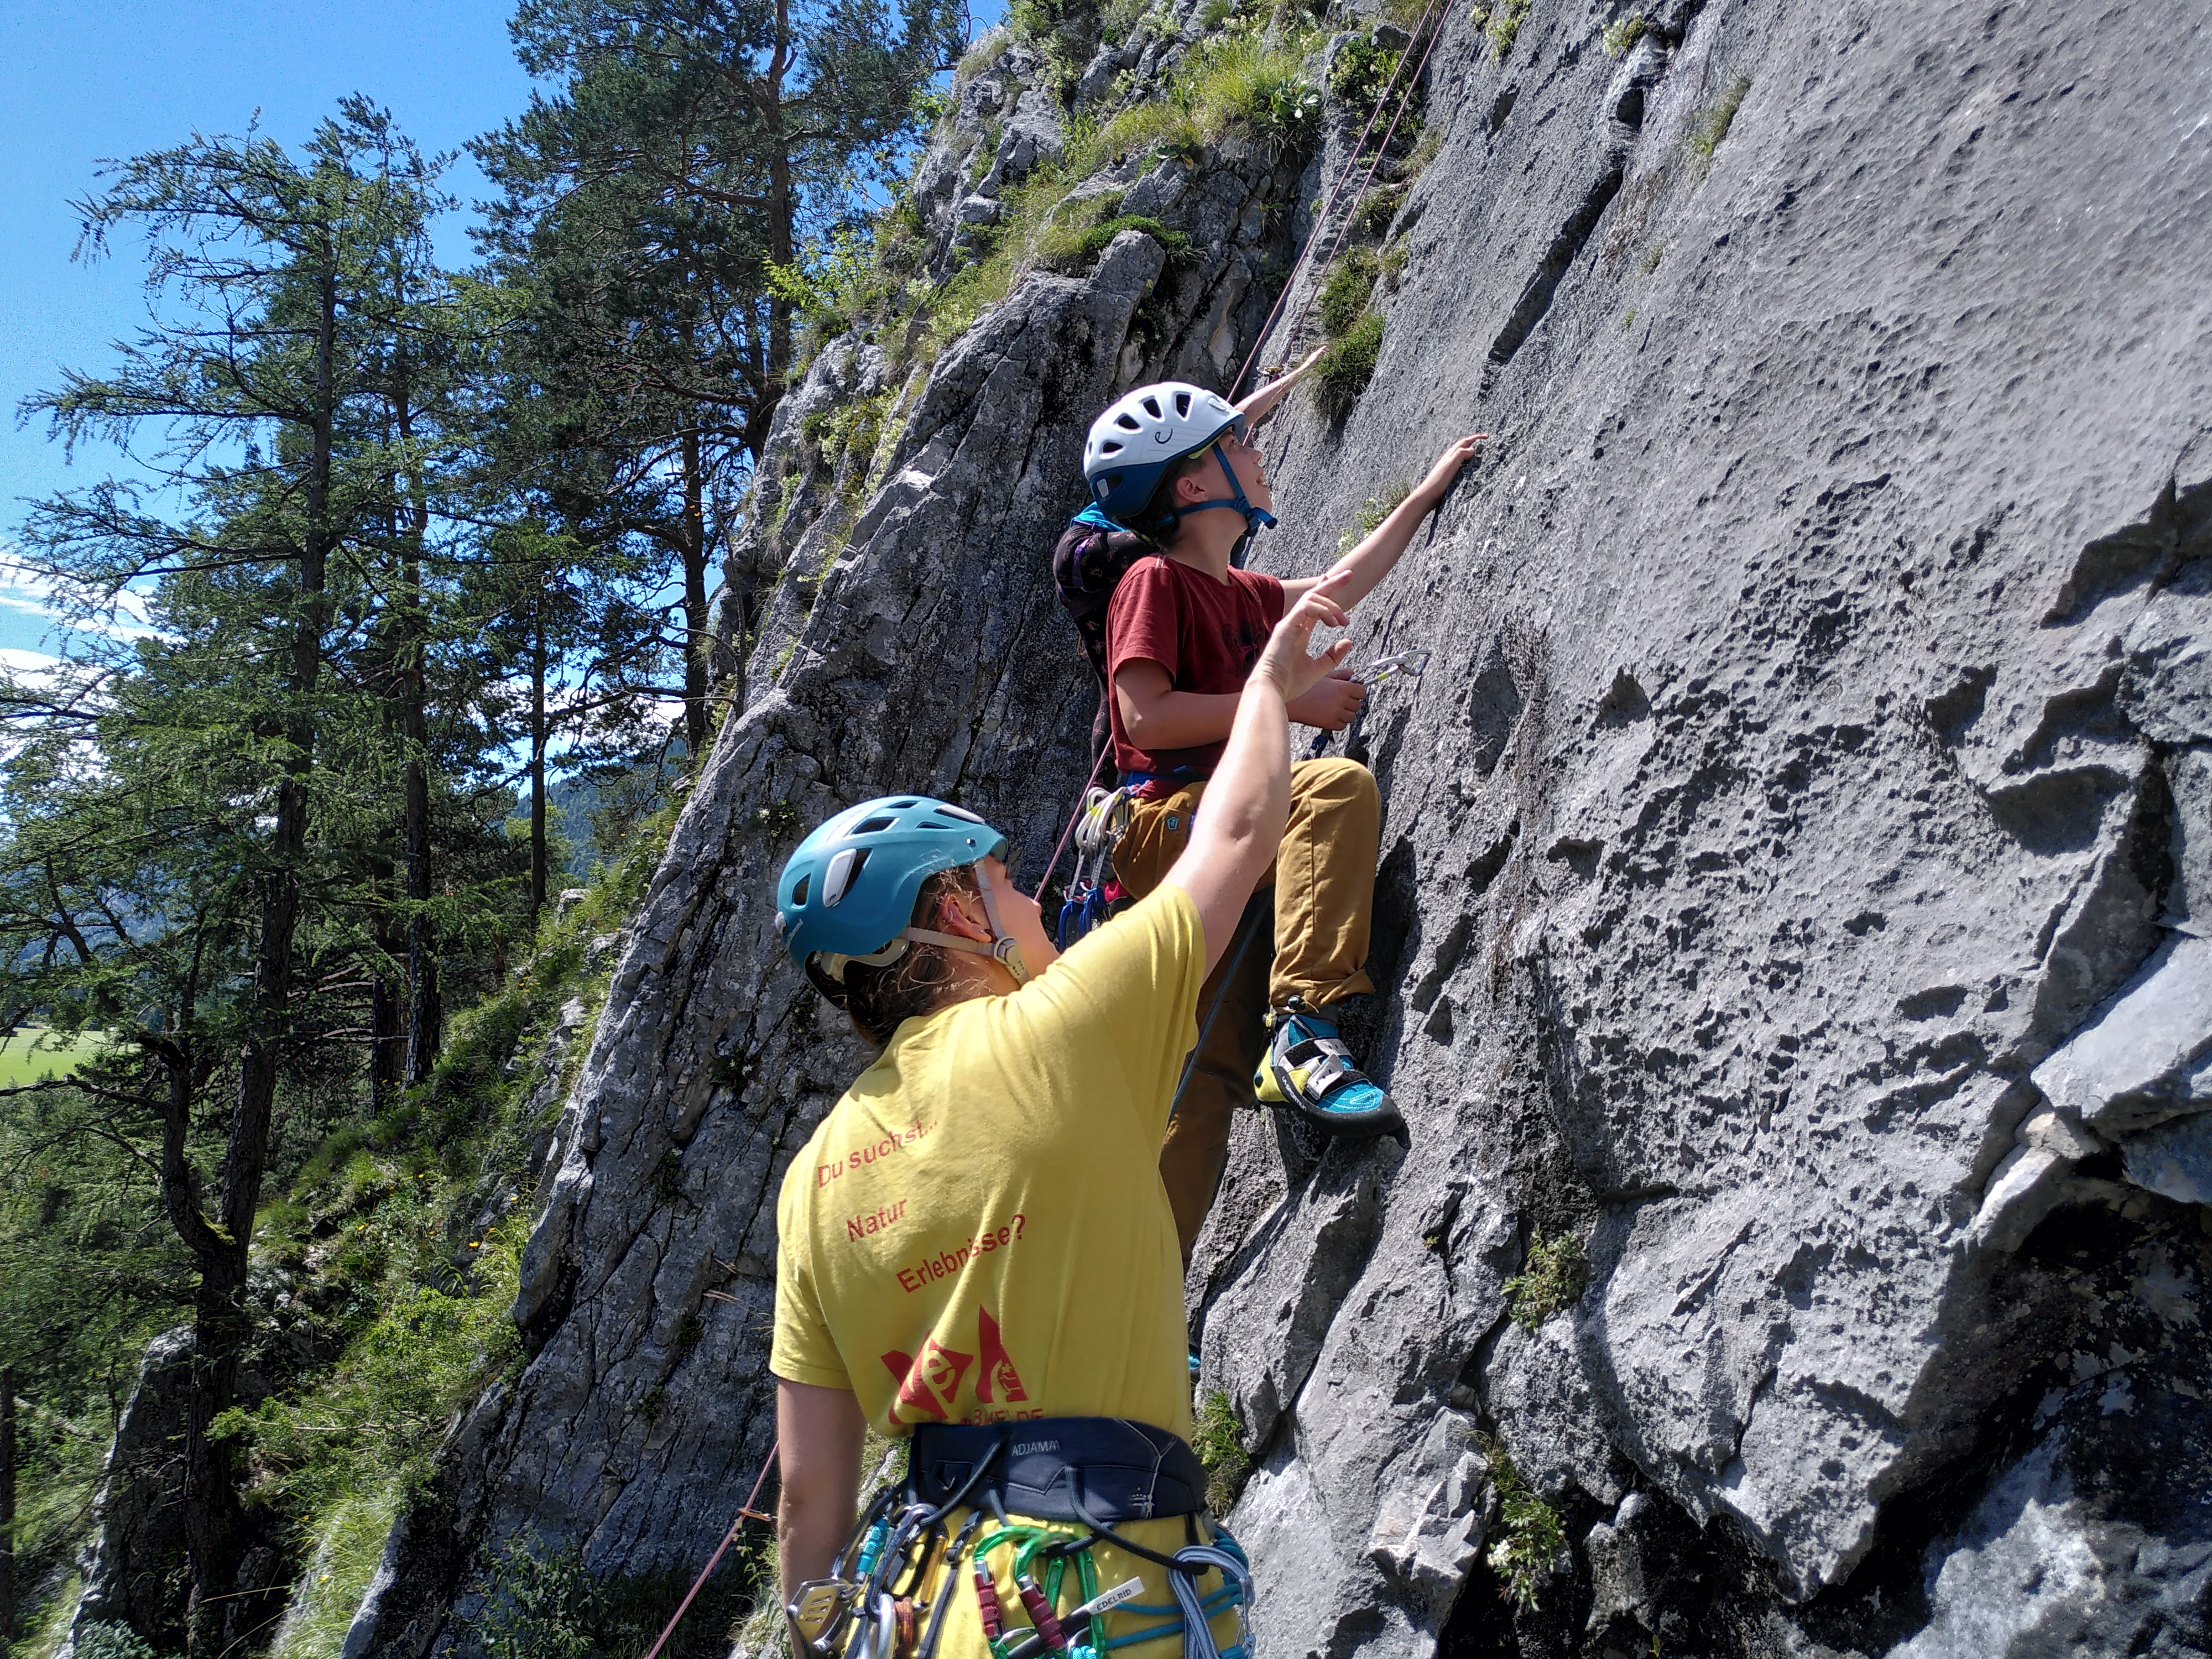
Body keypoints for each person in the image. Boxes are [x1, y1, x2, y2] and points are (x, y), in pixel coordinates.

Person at [770, 573, 1360, 1659]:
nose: (1033, 897)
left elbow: (810, 1494)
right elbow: (1236, 832)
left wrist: (814, 1633)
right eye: (1003, 879)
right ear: (954, 915)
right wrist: (1270, 685)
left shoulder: (811, 1179)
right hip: (1099, 1598)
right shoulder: (1067, 1022)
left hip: (921, 1609)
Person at [1083, 379, 1484, 1251]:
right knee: (1332, 788)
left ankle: (1148, 1306)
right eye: (1240, 444)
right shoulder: (1154, 581)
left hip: (1209, 838)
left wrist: (1424, 494)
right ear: (1194, 487)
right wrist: (1286, 700)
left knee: (1206, 1071)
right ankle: (1305, 1027)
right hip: (1169, 826)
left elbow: (1341, 583)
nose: (1259, 453)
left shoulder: (1249, 592)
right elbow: (1144, 719)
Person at [1052, 347, 1327, 775]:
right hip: (1090, 551)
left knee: (1121, 674)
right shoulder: (1164, 492)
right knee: (1124, 676)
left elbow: (1238, 416)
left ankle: (1106, 787)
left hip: (1088, 558)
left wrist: (1293, 379)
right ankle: (1109, 788)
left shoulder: (1180, 465)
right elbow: (1235, 420)